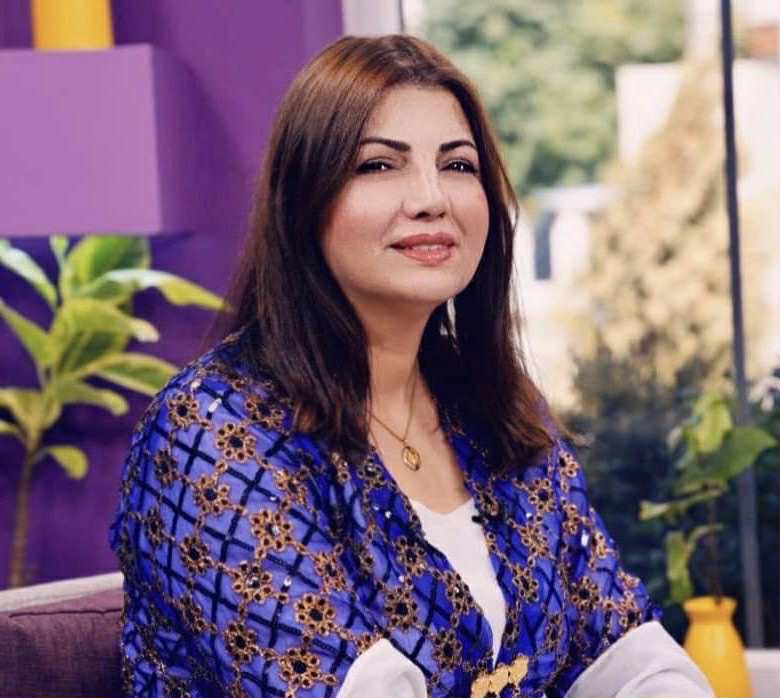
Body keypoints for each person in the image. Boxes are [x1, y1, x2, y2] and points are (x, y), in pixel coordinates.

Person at [109, 34, 713, 698]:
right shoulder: (214, 426)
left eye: (457, 165)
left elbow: (628, 659)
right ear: (304, 203)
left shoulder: (493, 411)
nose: (432, 198)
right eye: (378, 165)